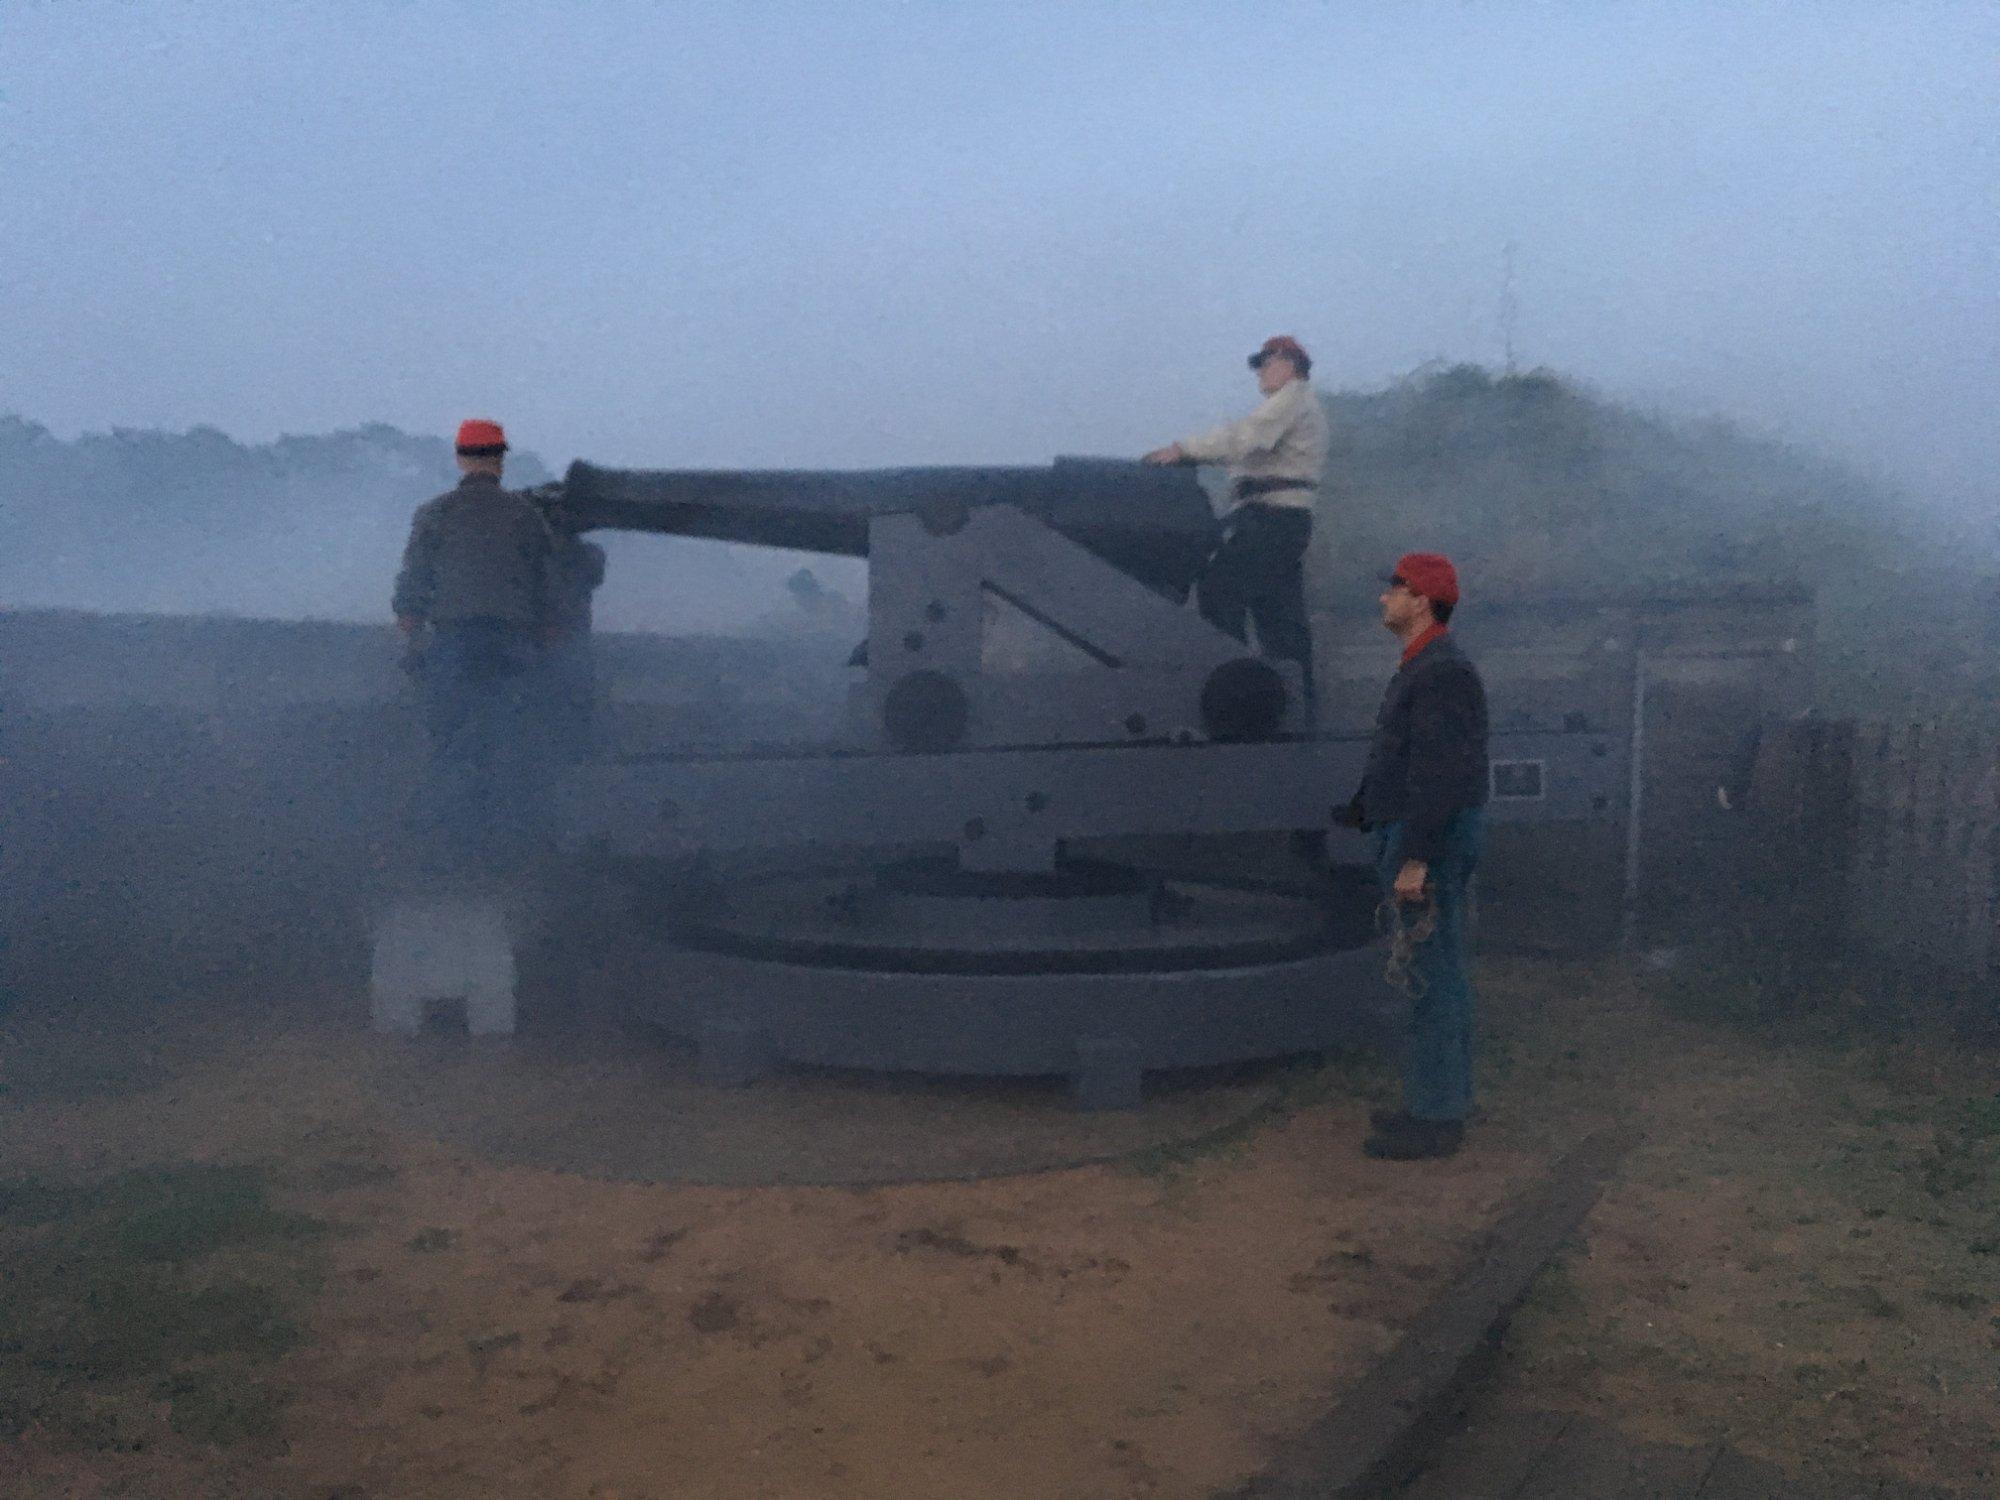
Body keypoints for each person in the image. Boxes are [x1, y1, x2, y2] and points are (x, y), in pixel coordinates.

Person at [1338, 552, 1490, 1160]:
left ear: (1421, 599)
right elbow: (1409, 759)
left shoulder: (1439, 673)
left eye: (1394, 589)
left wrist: (1415, 858)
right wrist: (1362, 809)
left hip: (1429, 834)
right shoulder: (1425, 667)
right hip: (1417, 826)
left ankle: (1434, 1120)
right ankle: (1445, 1099)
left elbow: (1439, 771)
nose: (1384, 599)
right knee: (1441, 969)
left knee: (1427, 973)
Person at [391, 418, 557, 867]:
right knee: (512, 739)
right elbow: (547, 583)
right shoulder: (526, 516)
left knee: (450, 741)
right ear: (500, 460)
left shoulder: (435, 514)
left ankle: (448, 844)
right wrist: (545, 632)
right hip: (510, 642)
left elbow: (413, 585)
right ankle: (510, 846)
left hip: (454, 641)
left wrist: (412, 628)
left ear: (461, 458)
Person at [1143, 334, 1330, 697]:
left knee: (1219, 589)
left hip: (1273, 518)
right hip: (1278, 518)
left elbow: (1243, 437)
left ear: (1286, 362)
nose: (1259, 372)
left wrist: (1182, 450)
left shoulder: (1292, 399)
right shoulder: (1298, 405)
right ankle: (1294, 698)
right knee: (1278, 614)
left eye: (1264, 362)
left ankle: (1235, 684)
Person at [537, 497, 608, 761]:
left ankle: (571, 744)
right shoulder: (587, 554)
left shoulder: (584, 555)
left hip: (562, 629)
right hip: (558, 629)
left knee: (570, 686)